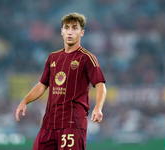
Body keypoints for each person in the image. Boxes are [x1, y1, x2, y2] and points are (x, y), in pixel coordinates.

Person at [15, 12, 107, 150]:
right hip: (49, 123)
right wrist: (25, 101)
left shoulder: (87, 58)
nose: (70, 32)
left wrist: (98, 108)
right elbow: (42, 84)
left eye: (74, 28)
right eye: (67, 27)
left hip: (72, 123)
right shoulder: (52, 58)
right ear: (61, 31)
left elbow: (100, 85)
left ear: (82, 33)